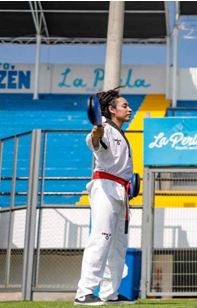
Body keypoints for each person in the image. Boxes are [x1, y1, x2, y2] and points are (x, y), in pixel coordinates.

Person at [74, 87, 135, 305]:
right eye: (124, 106)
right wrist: (97, 130)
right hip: (105, 188)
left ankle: (110, 294)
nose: (129, 109)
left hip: (121, 192)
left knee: (118, 245)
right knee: (101, 239)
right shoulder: (105, 129)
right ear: (111, 109)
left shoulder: (121, 133)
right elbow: (94, 141)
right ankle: (84, 292)